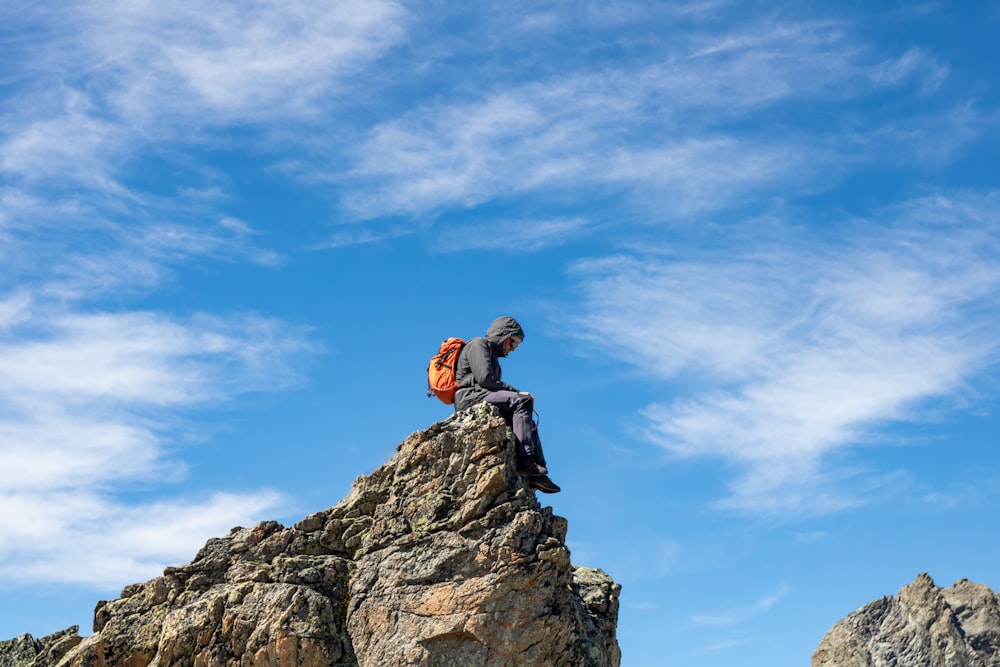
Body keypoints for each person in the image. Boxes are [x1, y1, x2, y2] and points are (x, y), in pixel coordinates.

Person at [454, 316, 561, 493]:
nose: (512, 349)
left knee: (529, 424)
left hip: (482, 395)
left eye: (515, 346)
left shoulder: (492, 356)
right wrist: (517, 392)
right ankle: (525, 459)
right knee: (522, 401)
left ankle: (538, 473)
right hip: (470, 397)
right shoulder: (478, 345)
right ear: (503, 335)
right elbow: (486, 379)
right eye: (512, 343)